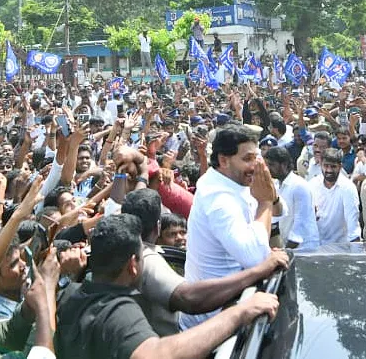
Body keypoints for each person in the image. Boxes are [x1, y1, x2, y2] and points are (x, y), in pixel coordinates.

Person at [56, 214, 280, 359]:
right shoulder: (120, 311)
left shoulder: (69, 295)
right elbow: (156, 355)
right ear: (133, 265)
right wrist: (239, 313)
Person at [122, 189, 288, 336]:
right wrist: (259, 270)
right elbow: (188, 298)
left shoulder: (123, 247)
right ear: (158, 227)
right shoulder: (146, 259)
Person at [181, 124, 284, 330]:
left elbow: (279, 210)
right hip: (211, 322)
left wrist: (270, 196)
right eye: (247, 159)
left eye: (256, 157)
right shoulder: (217, 198)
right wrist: (264, 203)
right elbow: (254, 256)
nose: (255, 165)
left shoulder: (236, 179)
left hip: (235, 302)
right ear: (224, 160)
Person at [264, 146, 320, 250]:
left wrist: (287, 250)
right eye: (266, 165)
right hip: (287, 245)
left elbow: (301, 221)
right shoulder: (275, 185)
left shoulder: (299, 186)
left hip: (304, 247)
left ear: (284, 165)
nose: (268, 169)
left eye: (271, 165)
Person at [308, 148, 360, 245]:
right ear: (320, 165)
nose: (329, 170)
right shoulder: (312, 185)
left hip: (340, 248)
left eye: (333, 167)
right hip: (315, 246)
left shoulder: (348, 188)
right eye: (326, 166)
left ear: (340, 166)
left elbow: (352, 223)